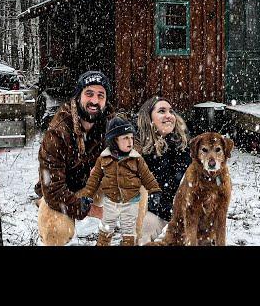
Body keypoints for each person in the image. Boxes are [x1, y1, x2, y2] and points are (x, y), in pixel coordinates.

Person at [35, 70, 115, 246]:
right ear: (78, 96)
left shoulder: (110, 120)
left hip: (93, 183)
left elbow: (134, 144)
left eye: (100, 95)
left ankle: (115, 239)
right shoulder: (58, 131)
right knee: (56, 230)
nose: (94, 101)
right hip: (64, 191)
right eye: (89, 94)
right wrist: (94, 211)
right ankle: (45, 208)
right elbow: (54, 191)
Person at [81, 115, 161, 246]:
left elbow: (147, 176)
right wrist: (87, 196)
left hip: (131, 201)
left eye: (131, 137)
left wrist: (155, 191)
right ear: (114, 141)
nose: (130, 141)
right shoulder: (104, 159)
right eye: (125, 138)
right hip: (110, 201)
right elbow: (94, 179)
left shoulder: (137, 159)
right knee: (106, 228)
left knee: (129, 231)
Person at [135, 96, 191, 244]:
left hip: (181, 212)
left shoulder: (183, 146)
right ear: (149, 118)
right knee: (142, 233)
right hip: (153, 212)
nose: (169, 115)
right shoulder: (137, 147)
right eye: (161, 111)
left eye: (171, 111)